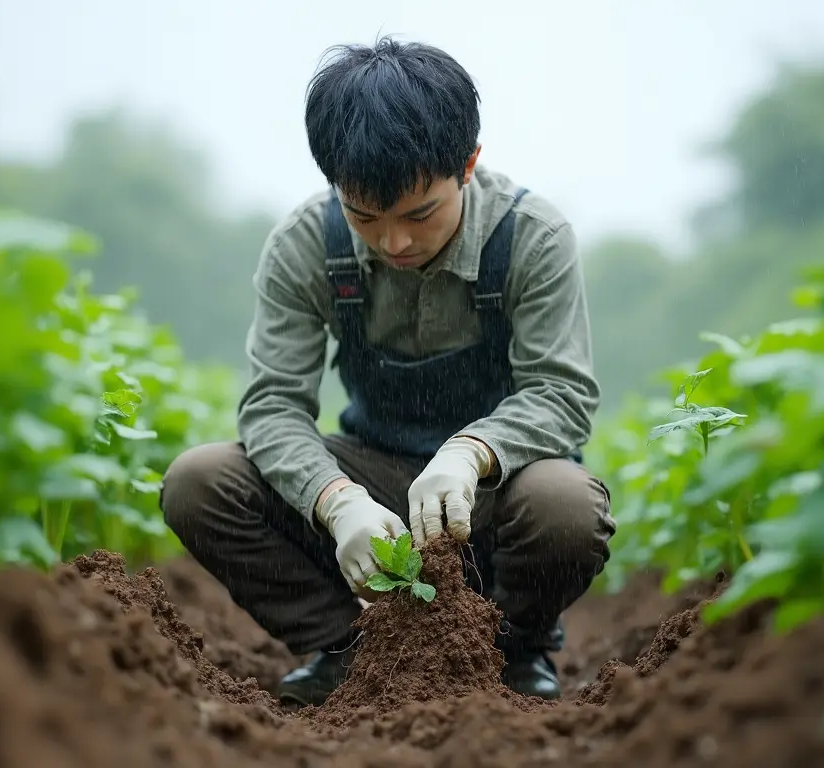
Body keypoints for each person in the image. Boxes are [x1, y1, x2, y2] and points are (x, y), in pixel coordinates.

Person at [160, 36, 616, 708]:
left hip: (496, 494)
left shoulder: (532, 239)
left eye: (420, 214)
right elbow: (272, 406)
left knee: (566, 507)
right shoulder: (304, 246)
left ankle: (513, 649)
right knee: (200, 482)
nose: (395, 242)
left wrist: (470, 452)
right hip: (372, 472)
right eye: (364, 216)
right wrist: (336, 502)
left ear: (468, 165)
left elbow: (563, 394)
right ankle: (350, 650)